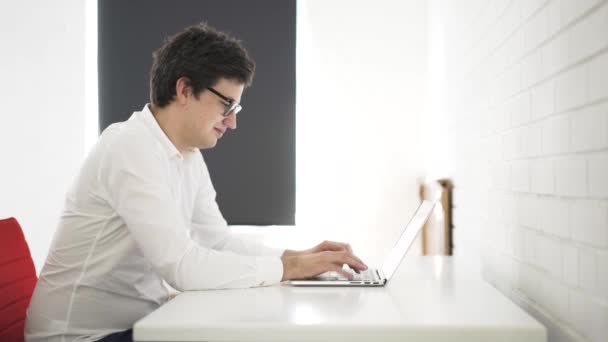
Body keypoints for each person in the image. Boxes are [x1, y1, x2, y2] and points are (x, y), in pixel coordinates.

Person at [25, 23, 367, 342]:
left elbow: (216, 241)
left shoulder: (186, 154)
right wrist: (288, 267)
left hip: (141, 323)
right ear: (185, 89)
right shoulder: (129, 146)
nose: (231, 123)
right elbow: (182, 267)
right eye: (226, 105)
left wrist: (300, 257)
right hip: (80, 336)